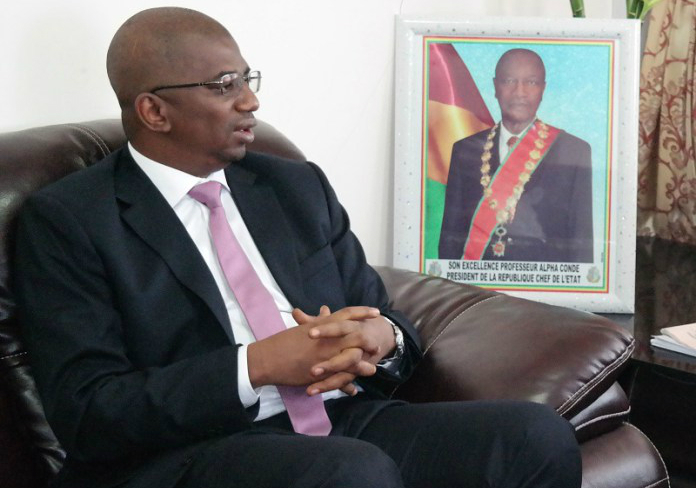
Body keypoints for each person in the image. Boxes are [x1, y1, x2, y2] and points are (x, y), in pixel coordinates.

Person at [14, 8, 582, 488]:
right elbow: (89, 412)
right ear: (154, 111)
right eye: (224, 85)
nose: (250, 101)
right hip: (192, 449)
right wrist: (258, 365)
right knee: (351, 472)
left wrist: (379, 338)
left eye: (247, 78)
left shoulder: (293, 186)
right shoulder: (70, 220)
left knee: (535, 435)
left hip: (342, 418)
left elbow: (383, 314)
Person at [439, 48, 594, 263]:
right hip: (478, 280)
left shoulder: (573, 151)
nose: (519, 92)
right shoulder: (465, 150)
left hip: (544, 280)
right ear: (495, 87)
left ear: (543, 89)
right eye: (509, 81)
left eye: (531, 82)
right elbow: (450, 238)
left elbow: (581, 241)